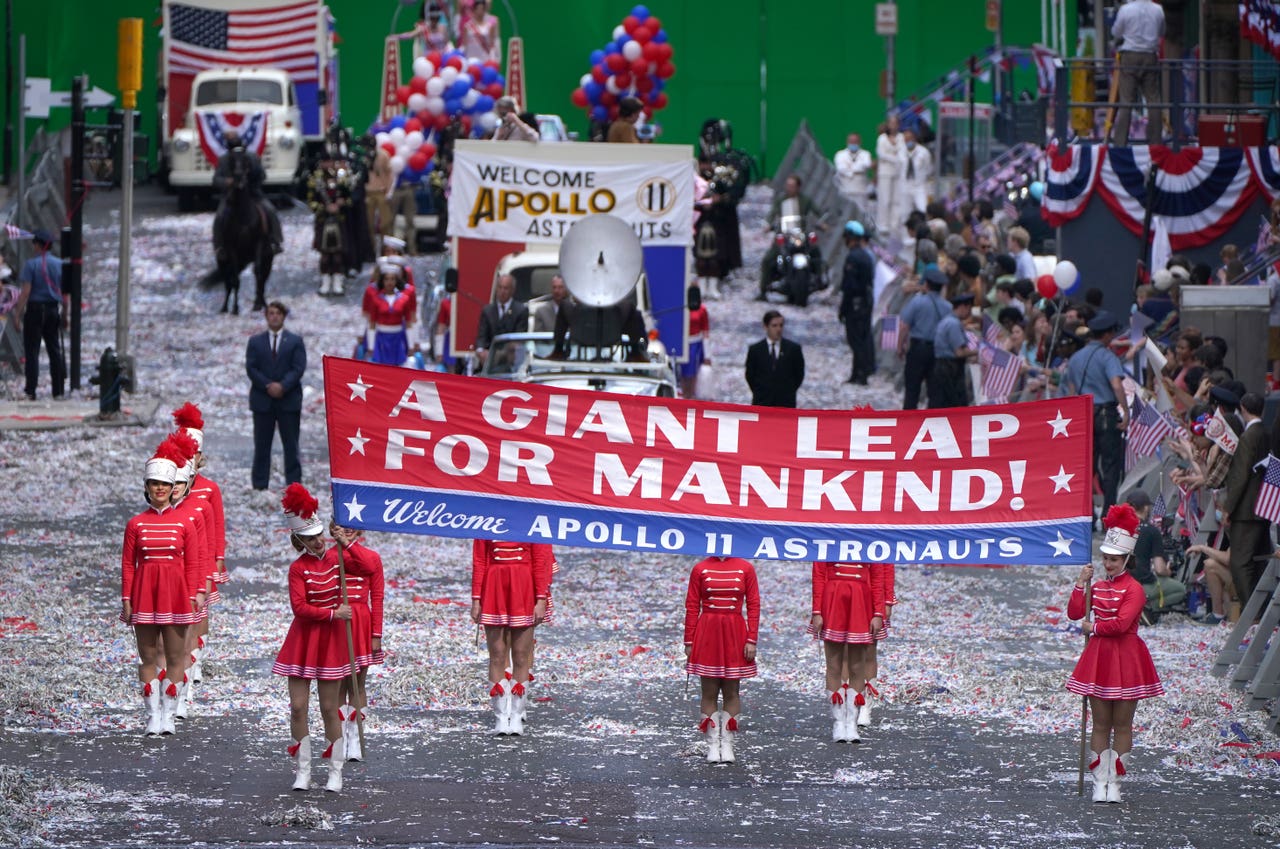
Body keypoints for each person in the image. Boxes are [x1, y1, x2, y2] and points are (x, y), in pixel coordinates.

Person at [271, 484, 379, 792]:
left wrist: (345, 542)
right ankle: (302, 771)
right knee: (297, 706)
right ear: (300, 541)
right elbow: (299, 607)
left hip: (331, 644)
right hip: (304, 641)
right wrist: (333, 614)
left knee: (330, 709)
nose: (320, 541)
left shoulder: (339, 557)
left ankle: (335, 771)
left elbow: (370, 566)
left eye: (321, 535)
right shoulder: (297, 569)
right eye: (312, 538)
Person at [1066, 504, 1165, 804]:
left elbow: (1122, 625)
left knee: (1122, 724)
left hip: (1127, 658)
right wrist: (1081, 583)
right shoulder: (1095, 587)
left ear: (1126, 559)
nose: (1108, 564)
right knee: (1099, 724)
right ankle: (1100, 782)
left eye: (1114, 559)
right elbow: (1073, 613)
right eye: (1106, 559)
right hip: (1099, 659)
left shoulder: (1135, 589)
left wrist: (1092, 628)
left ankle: (1116, 784)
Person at [122, 438, 206, 737]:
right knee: (147, 657)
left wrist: (196, 593)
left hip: (175, 594)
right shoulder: (135, 524)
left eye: (164, 484)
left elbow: (194, 563)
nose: (159, 489)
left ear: (174, 488)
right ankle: (152, 715)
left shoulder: (185, 522)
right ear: (146, 487)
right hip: (144, 593)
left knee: (174, 656)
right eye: (153, 484)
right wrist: (127, 598)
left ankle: (170, 714)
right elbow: (128, 564)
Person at [471, 538, 554, 736]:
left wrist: (540, 598)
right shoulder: (486, 520)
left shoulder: (531, 521)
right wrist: (476, 599)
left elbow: (541, 560)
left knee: (520, 655)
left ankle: (516, 716)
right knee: (498, 655)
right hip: (493, 588)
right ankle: (501, 717)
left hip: (523, 587)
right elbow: (479, 561)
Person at [684, 555, 760, 763]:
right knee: (708, 691)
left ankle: (727, 745)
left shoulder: (746, 568)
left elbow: (753, 605)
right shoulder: (700, 568)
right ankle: (712, 746)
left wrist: (751, 638)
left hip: (734, 632)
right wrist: (689, 641)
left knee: (731, 690)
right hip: (707, 631)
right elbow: (692, 606)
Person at [172, 403, 228, 686]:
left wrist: (218, 557)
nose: (188, 459)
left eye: (192, 455)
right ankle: (179, 654)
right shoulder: (170, 487)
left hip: (204, 556)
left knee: (200, 608)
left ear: (200, 457)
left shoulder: (209, 488)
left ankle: (196, 655)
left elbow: (217, 525)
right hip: (176, 556)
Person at [809, 560, 886, 743]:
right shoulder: (829, 538)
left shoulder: (867, 538)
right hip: (833, 600)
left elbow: (877, 578)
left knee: (857, 666)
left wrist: (878, 613)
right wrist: (817, 611)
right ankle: (838, 722)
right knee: (833, 665)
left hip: (860, 601)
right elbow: (818, 576)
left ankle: (851, 722)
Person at [1064, 311, 1130, 518]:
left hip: (1084, 414)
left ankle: (1088, 515)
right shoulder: (1107, 356)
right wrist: (1126, 411)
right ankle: (1108, 514)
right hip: (1105, 414)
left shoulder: (1075, 358)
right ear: (1107, 334)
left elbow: (1072, 391)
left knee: (1087, 467)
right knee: (1110, 467)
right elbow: (1116, 384)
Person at [335, 525, 384, 762]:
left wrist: (377, 634)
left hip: (361, 623)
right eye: (342, 527)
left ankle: (355, 737)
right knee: (337, 685)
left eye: (352, 527)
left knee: (357, 684)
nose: (348, 530)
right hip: (336, 623)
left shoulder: (371, 556)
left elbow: (376, 592)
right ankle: (339, 738)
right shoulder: (330, 555)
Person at [246, 302, 307, 491]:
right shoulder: (255, 342)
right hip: (263, 401)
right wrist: (267, 385)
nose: (274, 317)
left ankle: (294, 483)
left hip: (288, 401)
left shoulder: (295, 341)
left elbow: (298, 367)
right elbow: (251, 367)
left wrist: (283, 386)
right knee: (262, 446)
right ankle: (259, 484)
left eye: (278, 313)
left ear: (284, 316)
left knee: (291, 444)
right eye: (271, 313)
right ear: (266, 316)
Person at [1221, 392, 1271, 602]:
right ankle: (1260, 608)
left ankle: (1251, 610)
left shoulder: (1248, 436)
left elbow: (1240, 475)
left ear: (1242, 408)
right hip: (1264, 505)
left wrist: (1228, 507)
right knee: (1259, 559)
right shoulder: (1266, 433)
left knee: (1240, 561)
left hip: (1246, 509)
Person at [12, 229, 67, 401]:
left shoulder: (31, 265)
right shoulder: (59, 264)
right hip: (52, 310)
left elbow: (26, 292)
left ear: (38, 245)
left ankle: (31, 391)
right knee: (54, 350)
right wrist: (65, 314)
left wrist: (17, 314)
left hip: (35, 311)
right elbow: (65, 293)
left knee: (32, 351)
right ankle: (58, 391)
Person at [211, 131, 283, 259]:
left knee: (271, 211)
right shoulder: (223, 160)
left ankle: (275, 241)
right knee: (219, 216)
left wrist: (251, 175)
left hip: (253, 194)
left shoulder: (253, 157)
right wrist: (227, 182)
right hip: (231, 196)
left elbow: (262, 176)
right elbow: (216, 179)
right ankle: (219, 246)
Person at [759, 174, 823, 299]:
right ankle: (763, 289)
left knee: (815, 252)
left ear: (798, 187)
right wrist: (767, 224)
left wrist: (822, 223)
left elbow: (817, 212)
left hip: (801, 235)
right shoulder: (781, 200)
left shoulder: (805, 200)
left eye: (792, 186)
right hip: (785, 234)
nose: (789, 188)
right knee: (769, 258)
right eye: (788, 185)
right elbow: (772, 213)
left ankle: (819, 278)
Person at [1111, 0, 1165, 145]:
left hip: (1130, 55)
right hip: (1150, 55)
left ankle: (1120, 142)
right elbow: (1162, 32)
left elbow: (1115, 32)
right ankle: (1156, 140)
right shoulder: (1158, 10)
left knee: (1126, 101)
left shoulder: (1126, 9)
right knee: (1153, 99)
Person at [1124, 490, 1187, 612]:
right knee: (1180, 590)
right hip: (1140, 584)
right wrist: (1168, 572)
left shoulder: (1118, 526)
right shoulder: (1152, 531)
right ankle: (1148, 607)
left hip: (1117, 584)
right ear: (1146, 508)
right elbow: (1159, 569)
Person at [897, 268, 950, 409]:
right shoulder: (948, 307)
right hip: (937, 351)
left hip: (917, 348)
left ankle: (909, 419)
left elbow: (904, 326)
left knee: (912, 387)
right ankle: (931, 421)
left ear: (926, 284)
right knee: (934, 390)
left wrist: (900, 346)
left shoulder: (917, 302)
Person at [307, 153, 352, 296]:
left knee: (338, 253)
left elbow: (350, 198)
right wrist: (323, 208)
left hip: (339, 219)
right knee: (325, 254)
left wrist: (341, 204)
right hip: (323, 220)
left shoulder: (342, 179)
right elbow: (310, 201)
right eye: (325, 162)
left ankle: (337, 280)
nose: (328, 165)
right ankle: (325, 280)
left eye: (330, 162)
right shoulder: (315, 180)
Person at [838, 221, 875, 385]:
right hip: (866, 302)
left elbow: (850, 287)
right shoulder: (866, 255)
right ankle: (857, 372)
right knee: (863, 336)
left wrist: (843, 308)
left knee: (855, 340)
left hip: (855, 304)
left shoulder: (853, 257)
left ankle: (861, 373)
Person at [745, 310, 805, 408]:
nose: (778, 329)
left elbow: (799, 374)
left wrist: (787, 391)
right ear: (765, 326)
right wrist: (761, 391)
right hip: (762, 403)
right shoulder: (755, 350)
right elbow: (750, 375)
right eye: (774, 325)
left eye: (781, 325)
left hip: (785, 404)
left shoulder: (793, 349)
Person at [929, 293, 978, 408]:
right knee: (953, 402)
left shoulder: (947, 321)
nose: (969, 313)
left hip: (943, 366)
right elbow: (959, 352)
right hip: (950, 368)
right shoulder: (953, 324)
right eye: (968, 309)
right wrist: (979, 351)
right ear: (962, 307)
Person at [364, 263, 417, 366]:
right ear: (382, 281)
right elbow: (372, 324)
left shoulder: (404, 299)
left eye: (392, 279)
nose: (389, 282)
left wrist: (411, 345)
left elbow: (409, 323)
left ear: (396, 281)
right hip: (381, 339)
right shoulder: (376, 299)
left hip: (398, 338)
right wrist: (371, 347)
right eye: (387, 279)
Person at [474, 273, 529, 366]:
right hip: (489, 360)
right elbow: (481, 336)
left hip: (511, 360)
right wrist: (480, 351)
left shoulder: (521, 310)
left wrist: (501, 354)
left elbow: (519, 338)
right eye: (500, 287)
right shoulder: (487, 311)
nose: (502, 291)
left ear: (512, 290)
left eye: (506, 288)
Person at [875, 115, 904, 230]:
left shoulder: (901, 137)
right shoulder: (882, 138)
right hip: (885, 173)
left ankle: (894, 224)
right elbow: (881, 154)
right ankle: (883, 224)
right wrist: (895, 158)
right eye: (891, 123)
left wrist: (894, 157)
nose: (893, 126)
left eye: (895, 123)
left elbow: (902, 153)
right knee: (885, 199)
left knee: (896, 199)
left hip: (897, 173)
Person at [681, 287, 710, 399]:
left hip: (695, 344)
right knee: (682, 371)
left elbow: (705, 330)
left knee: (693, 371)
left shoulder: (702, 309)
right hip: (682, 343)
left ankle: (691, 395)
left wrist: (708, 354)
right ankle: (683, 395)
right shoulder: (682, 307)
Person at [364, 144, 394, 253]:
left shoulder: (383, 155)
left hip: (381, 191)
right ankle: (370, 250)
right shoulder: (362, 155)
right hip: (367, 192)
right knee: (368, 223)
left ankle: (386, 249)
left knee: (385, 223)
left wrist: (389, 190)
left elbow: (389, 173)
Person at [833, 132, 872, 212]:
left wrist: (850, 168)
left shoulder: (866, 154)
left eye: (855, 141)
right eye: (851, 141)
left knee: (862, 213)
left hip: (861, 190)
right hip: (845, 190)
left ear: (859, 142)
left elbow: (866, 165)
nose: (853, 144)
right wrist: (855, 170)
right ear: (847, 142)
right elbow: (841, 168)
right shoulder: (840, 154)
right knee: (846, 213)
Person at [900, 129, 932, 219]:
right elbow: (898, 168)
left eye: (910, 139)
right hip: (905, 184)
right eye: (906, 139)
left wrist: (923, 179)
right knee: (905, 212)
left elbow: (928, 168)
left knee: (922, 208)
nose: (908, 141)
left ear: (914, 138)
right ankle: (906, 232)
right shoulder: (900, 152)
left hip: (919, 185)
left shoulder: (923, 152)